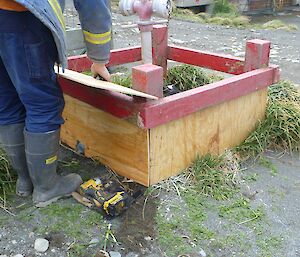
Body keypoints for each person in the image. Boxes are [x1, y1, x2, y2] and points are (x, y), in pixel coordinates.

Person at [0, 0, 112, 207]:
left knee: (7, 101)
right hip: (23, 19)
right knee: (43, 104)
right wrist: (99, 58)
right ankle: (46, 187)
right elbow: (93, 4)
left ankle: (25, 181)